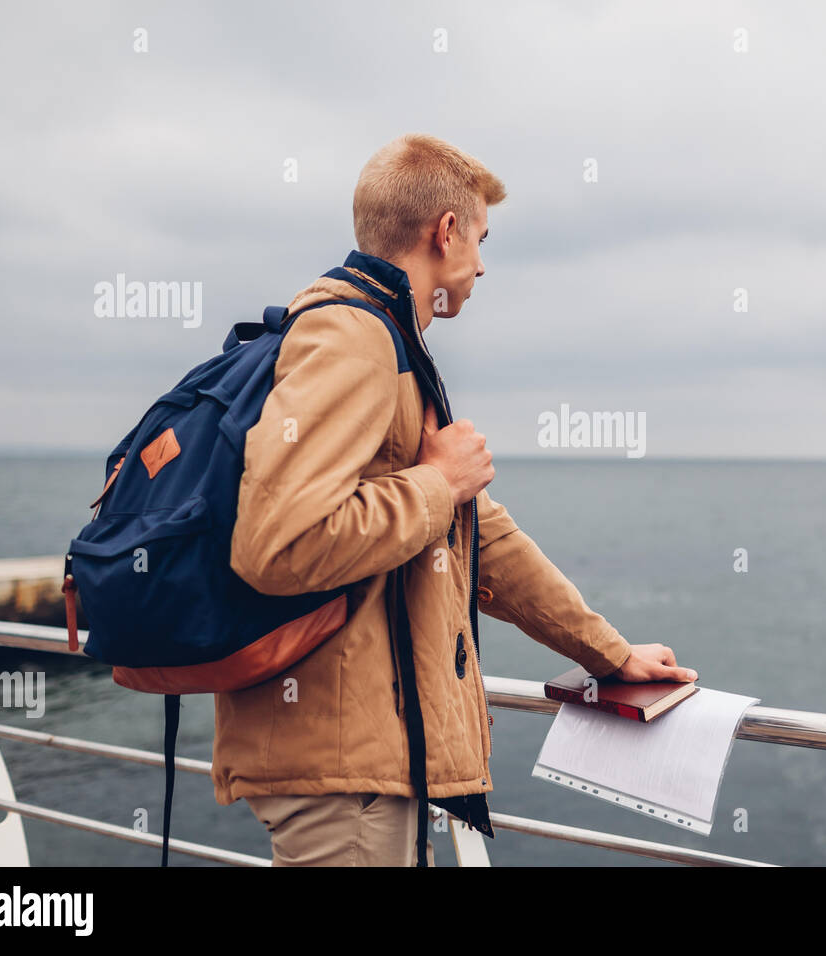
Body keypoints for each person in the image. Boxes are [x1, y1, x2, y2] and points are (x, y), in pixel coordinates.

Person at [211, 133, 697, 866]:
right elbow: (275, 544)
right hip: (347, 778)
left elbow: (478, 538)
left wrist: (608, 654)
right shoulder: (354, 338)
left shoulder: (387, 343)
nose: (479, 266)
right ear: (446, 232)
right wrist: (438, 483)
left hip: (367, 767)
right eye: (480, 240)